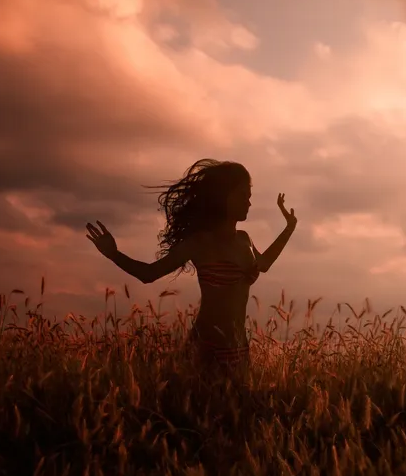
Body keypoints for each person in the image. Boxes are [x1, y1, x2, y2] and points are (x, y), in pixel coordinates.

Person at [85, 159, 297, 377]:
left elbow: (264, 265)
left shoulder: (244, 240)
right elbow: (149, 274)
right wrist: (113, 254)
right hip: (206, 349)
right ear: (224, 196)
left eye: (249, 197)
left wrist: (289, 228)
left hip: (239, 350)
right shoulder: (199, 243)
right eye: (244, 195)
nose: (249, 203)